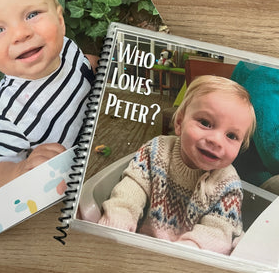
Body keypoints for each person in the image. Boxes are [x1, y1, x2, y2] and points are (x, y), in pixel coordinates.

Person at [0, 0, 96, 192]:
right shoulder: (8, 111)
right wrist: (21, 169)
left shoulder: (66, 48)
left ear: (60, 21)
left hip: (105, 142)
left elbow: (86, 66)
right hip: (75, 184)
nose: (20, 34)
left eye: (32, 14)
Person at [98, 75, 256, 255]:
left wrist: (185, 253)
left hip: (191, 261)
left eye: (231, 136)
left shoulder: (228, 184)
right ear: (180, 123)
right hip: (143, 248)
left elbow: (217, 233)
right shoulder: (156, 150)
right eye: (205, 123)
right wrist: (119, 218)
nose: (217, 141)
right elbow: (132, 188)